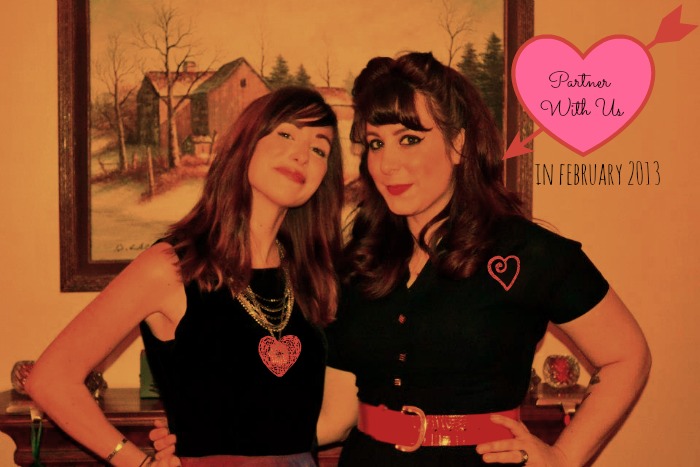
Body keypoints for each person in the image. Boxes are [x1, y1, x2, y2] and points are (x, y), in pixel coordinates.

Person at [152, 52, 651, 466]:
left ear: (458, 144)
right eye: (375, 143)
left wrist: (564, 457)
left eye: (409, 139)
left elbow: (628, 356)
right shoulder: (357, 263)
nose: (387, 163)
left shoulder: (528, 251)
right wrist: (204, 439)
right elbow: (334, 415)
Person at [26, 86, 345, 467]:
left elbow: (329, 413)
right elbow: (50, 379)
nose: (301, 154)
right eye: (287, 134)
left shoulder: (316, 275)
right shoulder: (170, 266)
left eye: (319, 149)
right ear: (246, 143)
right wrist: (139, 463)